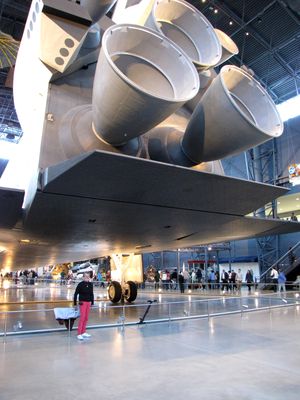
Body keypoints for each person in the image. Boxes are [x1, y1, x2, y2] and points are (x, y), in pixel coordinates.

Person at [74, 272, 94, 340]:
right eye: (85, 276)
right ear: (83, 277)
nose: (87, 278)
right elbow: (75, 294)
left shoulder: (90, 284)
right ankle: (79, 333)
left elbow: (92, 294)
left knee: (86, 318)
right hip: (82, 302)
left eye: (88, 277)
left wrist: (92, 302)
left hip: (88, 303)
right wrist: (74, 303)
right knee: (82, 318)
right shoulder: (80, 284)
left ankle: (83, 332)